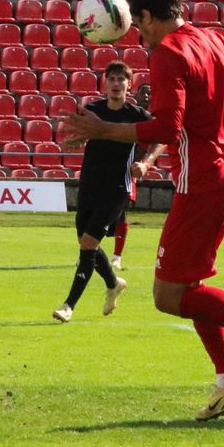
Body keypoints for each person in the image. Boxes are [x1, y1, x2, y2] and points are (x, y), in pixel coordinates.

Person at [61, 0, 224, 421]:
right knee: (189, 286)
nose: (138, 33)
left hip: (201, 184)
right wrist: (215, 120)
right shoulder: (213, 39)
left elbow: (165, 128)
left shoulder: (168, 54)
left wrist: (103, 130)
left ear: (150, 16)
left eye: (138, 23)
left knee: (167, 296)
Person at [52, 61, 152, 323]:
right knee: (87, 244)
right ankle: (113, 283)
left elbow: (161, 137)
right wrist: (77, 140)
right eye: (113, 79)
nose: (117, 84)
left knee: (88, 244)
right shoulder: (93, 110)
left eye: (122, 79)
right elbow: (83, 134)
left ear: (129, 84)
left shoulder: (137, 114)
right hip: (90, 184)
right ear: (105, 83)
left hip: (117, 188)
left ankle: (68, 305)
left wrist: (146, 162)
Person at [109, 83, 160, 271]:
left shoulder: (155, 121)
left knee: (121, 211)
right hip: (112, 167)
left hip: (130, 171)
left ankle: (116, 257)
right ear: (136, 96)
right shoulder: (128, 115)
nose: (147, 95)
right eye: (143, 92)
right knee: (101, 209)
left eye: (150, 93)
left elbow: (157, 143)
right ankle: (91, 251)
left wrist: (145, 162)